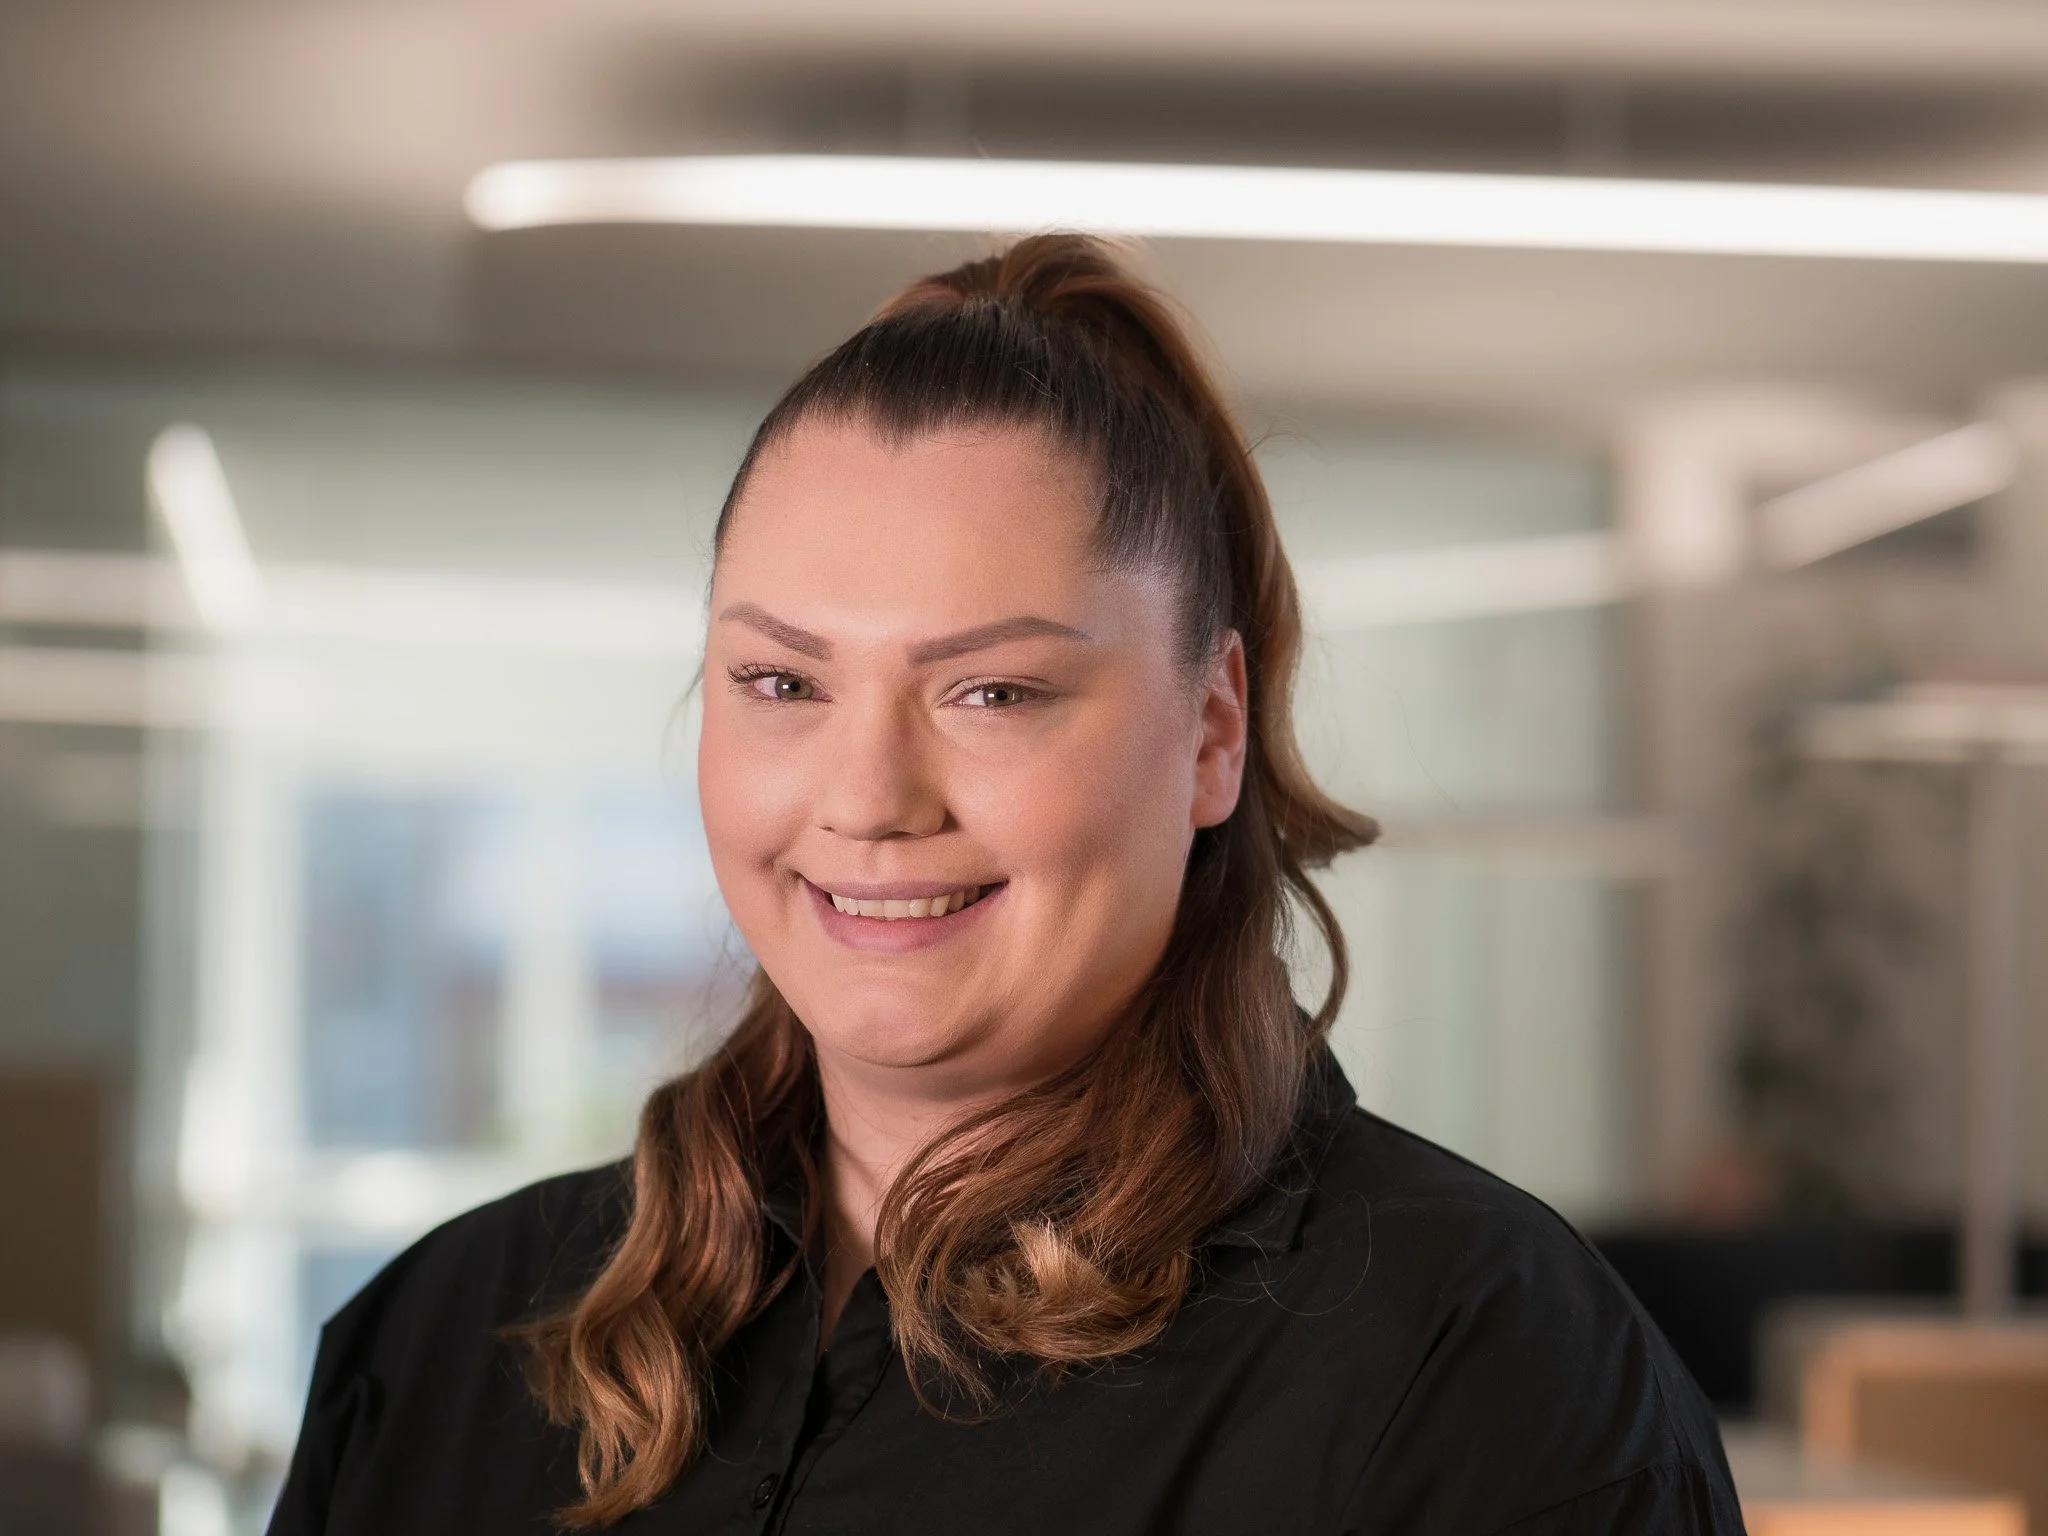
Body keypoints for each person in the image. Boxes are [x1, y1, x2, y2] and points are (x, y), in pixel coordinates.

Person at [268, 235, 1743, 1535]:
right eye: (781, 679)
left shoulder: (1483, 1376)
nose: (865, 799)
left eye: (993, 692)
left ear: (1212, 733)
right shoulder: (448, 1342)